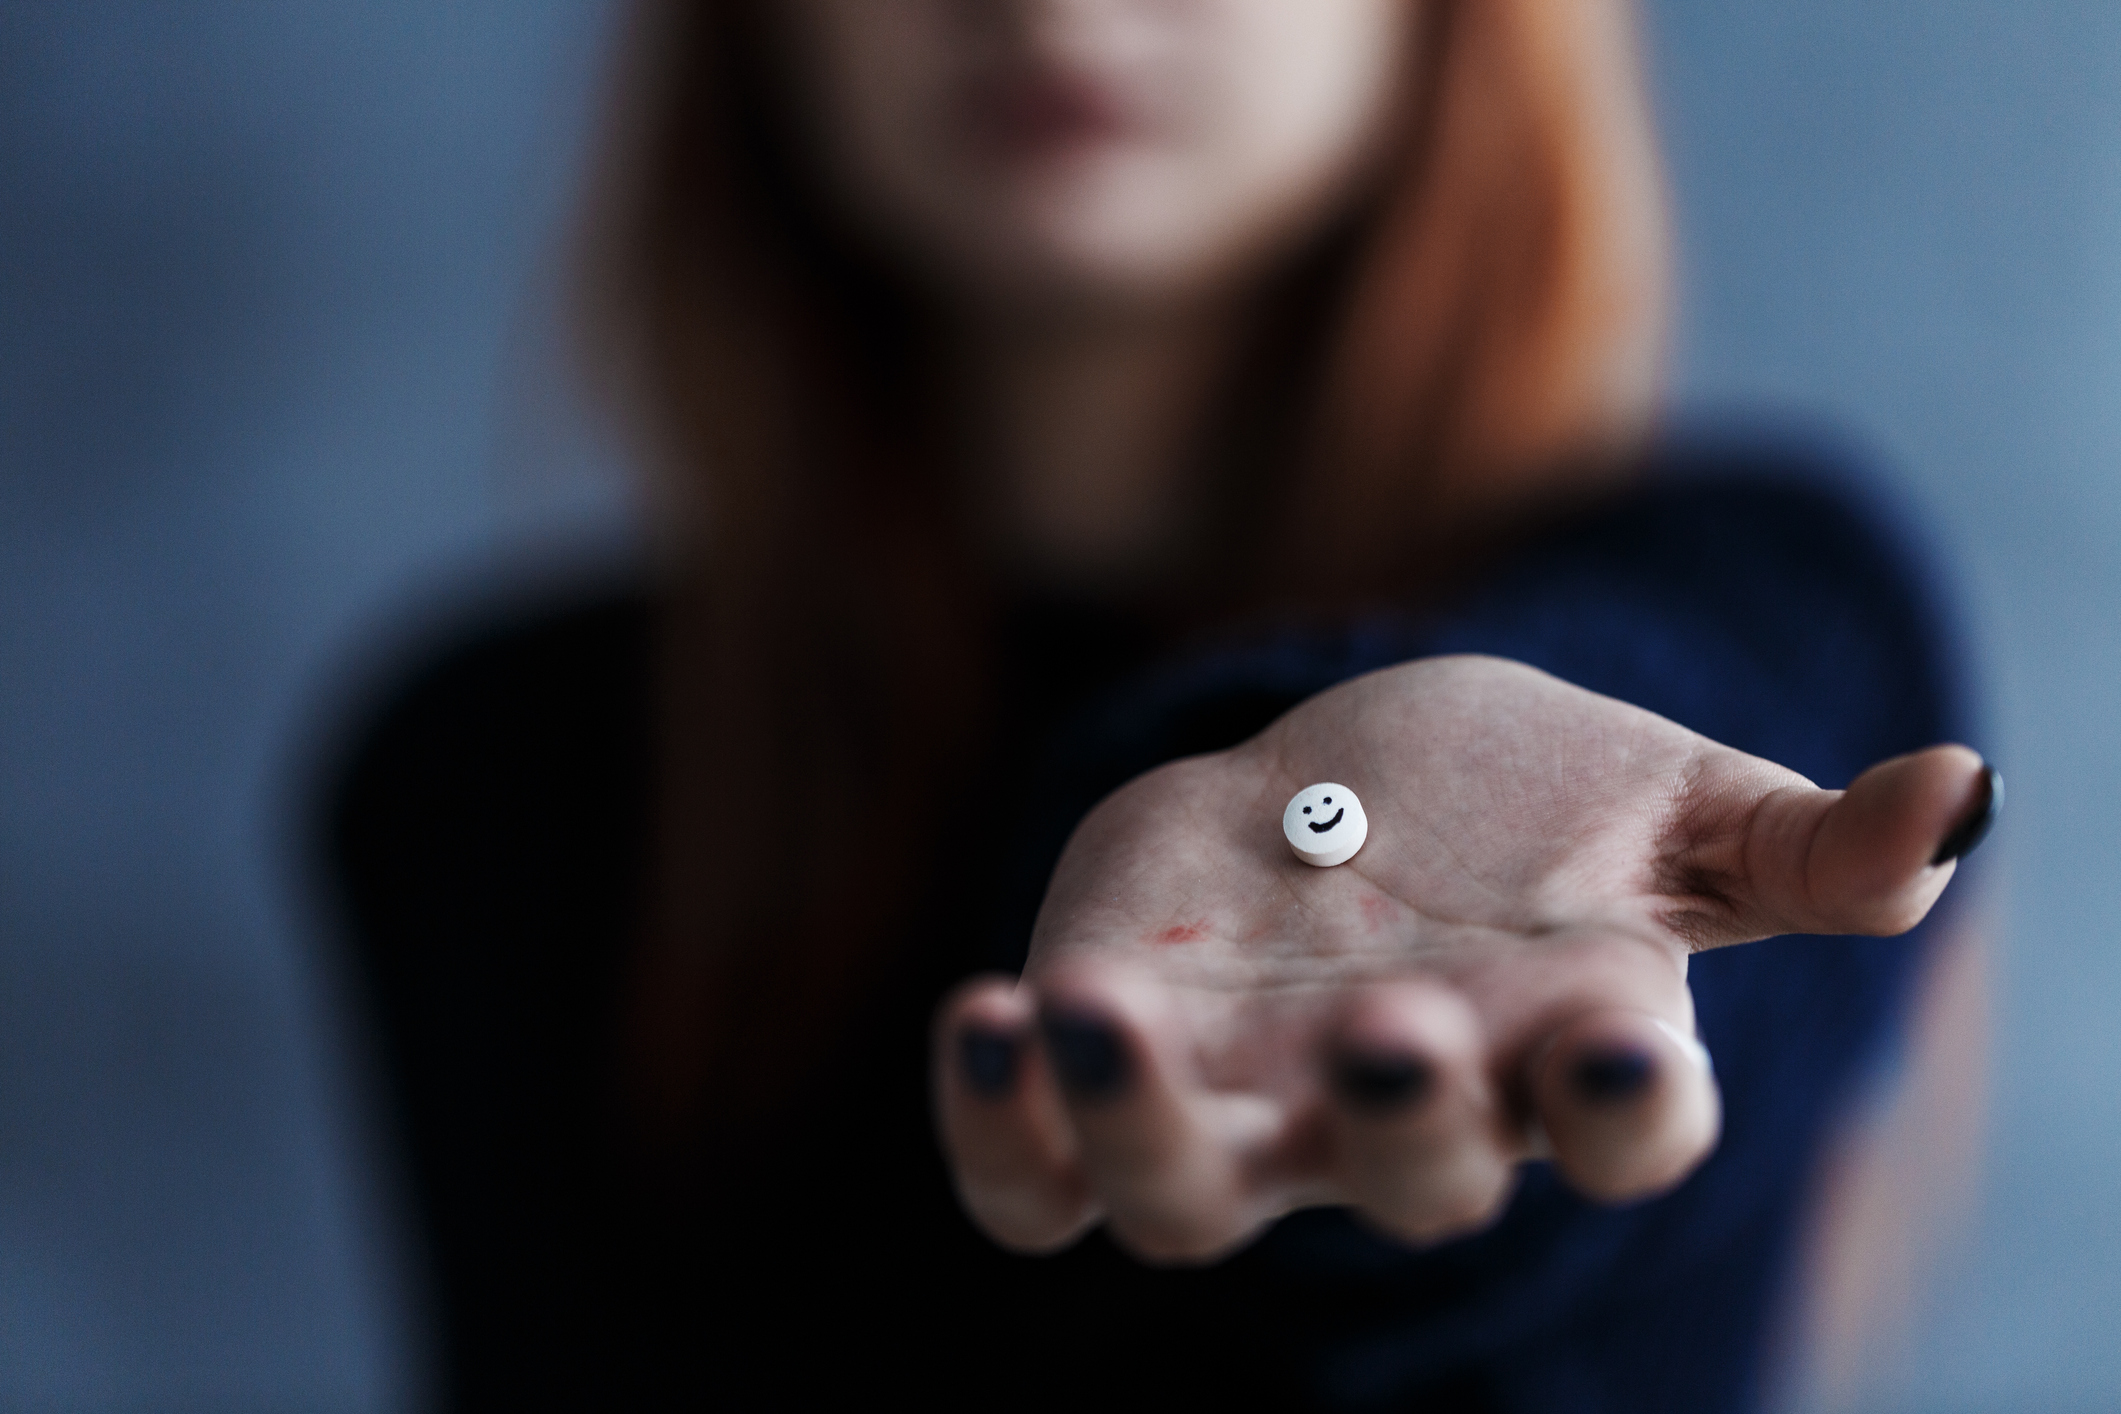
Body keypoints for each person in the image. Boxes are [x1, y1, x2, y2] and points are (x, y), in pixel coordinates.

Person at [321, 1, 1998, 1408]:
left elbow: (1648, 824)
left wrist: (1392, 948)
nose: (1047, 8)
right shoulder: (491, 777)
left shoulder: (1770, 607)